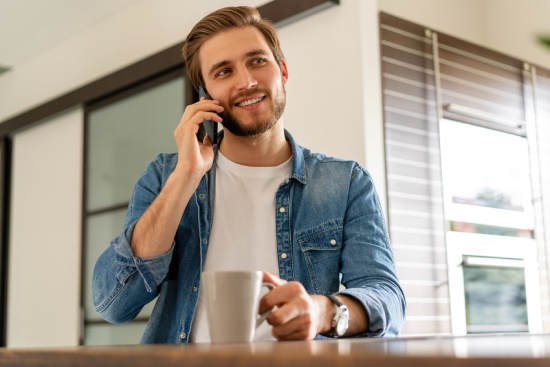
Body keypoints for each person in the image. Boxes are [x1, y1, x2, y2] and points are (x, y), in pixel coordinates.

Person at [92, 6, 405, 344]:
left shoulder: (346, 183)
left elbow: (386, 297)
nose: (246, 81)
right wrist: (185, 177)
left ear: (282, 71)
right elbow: (113, 303)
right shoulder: (165, 175)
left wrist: (324, 312)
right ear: (206, 97)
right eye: (224, 72)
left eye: (257, 61)